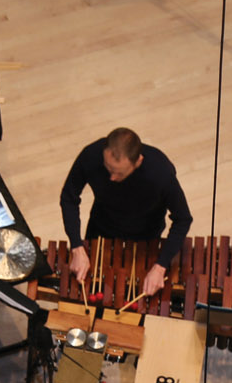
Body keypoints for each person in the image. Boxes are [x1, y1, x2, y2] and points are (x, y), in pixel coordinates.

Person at [59, 128, 193, 299]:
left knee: (133, 299)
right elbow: (69, 197)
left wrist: (160, 266)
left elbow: (183, 219)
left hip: (145, 238)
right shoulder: (91, 155)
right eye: (108, 168)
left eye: (119, 172)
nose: (112, 178)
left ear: (138, 162)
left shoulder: (160, 173)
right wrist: (77, 248)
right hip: (101, 229)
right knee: (94, 293)